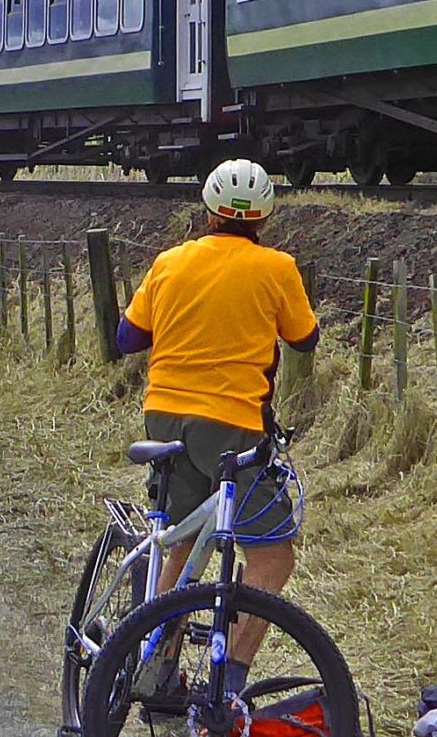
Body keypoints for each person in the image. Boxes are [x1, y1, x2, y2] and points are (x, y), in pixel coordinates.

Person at [117, 158, 318, 702]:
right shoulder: (276, 268)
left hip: (163, 417)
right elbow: (304, 339)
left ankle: (155, 670)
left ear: (207, 212)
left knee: (180, 543)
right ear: (265, 217)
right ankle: (227, 685)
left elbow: (127, 338)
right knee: (272, 558)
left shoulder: (169, 262)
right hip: (232, 427)